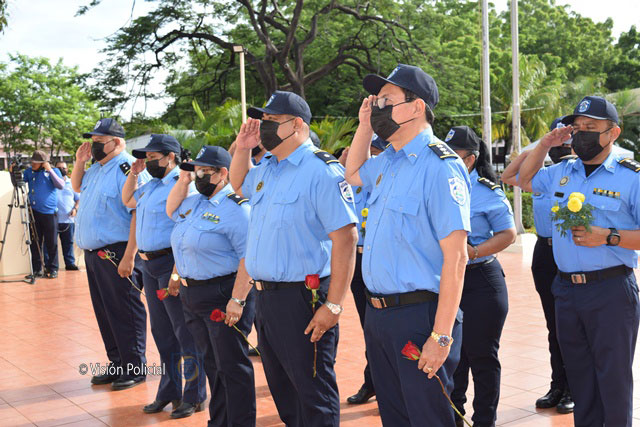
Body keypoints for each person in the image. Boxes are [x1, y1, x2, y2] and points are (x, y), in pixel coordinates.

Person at [344, 64, 471, 426]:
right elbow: (353, 174)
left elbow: (456, 258)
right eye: (377, 101)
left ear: (416, 107)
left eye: (387, 101)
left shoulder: (440, 166)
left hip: (420, 315)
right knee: (395, 416)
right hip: (379, 315)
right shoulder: (388, 160)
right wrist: (365, 125)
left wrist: (441, 337)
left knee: (428, 417)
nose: (378, 107)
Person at [229, 90, 358, 427]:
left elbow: (346, 238)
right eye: (264, 120)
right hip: (266, 298)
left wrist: (334, 305)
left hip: (303, 298)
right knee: (284, 392)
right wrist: (243, 148)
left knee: (314, 394)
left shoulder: (322, 171)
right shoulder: (268, 167)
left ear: (297, 124)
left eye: (272, 120)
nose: (264, 127)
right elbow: (238, 184)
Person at [518, 96, 640, 426]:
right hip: (567, 291)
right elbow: (523, 179)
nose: (581, 133)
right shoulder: (561, 171)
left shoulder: (631, 177)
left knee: (613, 381)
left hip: (611, 290)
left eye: (591, 127)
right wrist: (545, 143)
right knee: (581, 379)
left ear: (613, 133)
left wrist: (609, 236)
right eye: (578, 127)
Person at [167, 145, 256, 427]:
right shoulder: (193, 202)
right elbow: (171, 210)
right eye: (197, 171)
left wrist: (237, 300)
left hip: (223, 293)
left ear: (223, 173)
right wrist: (184, 180)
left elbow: (248, 258)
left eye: (205, 171)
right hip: (193, 294)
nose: (200, 176)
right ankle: (220, 421)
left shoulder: (237, 209)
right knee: (213, 365)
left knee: (232, 366)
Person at [121, 134, 207, 418]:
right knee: (163, 333)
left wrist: (176, 272)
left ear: (171, 157)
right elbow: (128, 200)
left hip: (171, 264)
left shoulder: (183, 186)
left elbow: (186, 230)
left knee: (185, 333)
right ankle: (169, 391)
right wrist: (134, 175)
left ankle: (194, 395)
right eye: (145, 158)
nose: (147, 162)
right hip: (149, 266)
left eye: (152, 157)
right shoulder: (149, 185)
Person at [444, 126, 516, 427]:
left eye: (453, 155)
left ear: (470, 159)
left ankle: (485, 420)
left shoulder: (486, 191)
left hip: (481, 280)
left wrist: (472, 252)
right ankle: (454, 417)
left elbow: (508, 234)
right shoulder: (439, 185)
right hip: (448, 280)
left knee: (482, 356)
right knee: (453, 356)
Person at [501, 118, 575, 414]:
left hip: (568, 252)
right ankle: (557, 385)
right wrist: (536, 148)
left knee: (570, 326)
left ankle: (573, 387)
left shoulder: (572, 176)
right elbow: (508, 176)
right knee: (552, 325)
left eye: (567, 141)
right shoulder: (543, 176)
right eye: (559, 141)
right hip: (544, 254)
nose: (562, 148)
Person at [71, 118, 149, 390]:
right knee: (105, 312)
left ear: (116, 142)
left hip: (117, 252)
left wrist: (130, 256)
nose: (93, 145)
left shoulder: (128, 169)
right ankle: (117, 363)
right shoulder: (96, 168)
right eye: (92, 140)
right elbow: (77, 186)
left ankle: (134, 367)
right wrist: (80, 162)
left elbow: (138, 213)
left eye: (98, 141)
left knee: (125, 310)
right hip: (94, 255)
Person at [338, 134, 389, 405]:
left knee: (387, 330)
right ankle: (374, 382)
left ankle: (388, 385)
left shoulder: (388, 179)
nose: (370, 158)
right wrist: (343, 163)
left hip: (382, 259)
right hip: (358, 263)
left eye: (376, 153)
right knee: (369, 328)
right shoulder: (355, 181)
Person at [23, 150, 64, 280]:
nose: (32, 164)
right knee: (35, 242)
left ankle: (52, 268)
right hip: (34, 212)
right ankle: (37, 270)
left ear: (43, 163)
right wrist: (13, 172)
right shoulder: (29, 172)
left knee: (51, 242)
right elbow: (18, 184)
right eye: (32, 162)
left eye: (35, 162)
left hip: (49, 213)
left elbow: (60, 185)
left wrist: (50, 170)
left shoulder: (53, 171)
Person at [54, 161, 79, 271]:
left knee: (68, 243)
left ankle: (70, 264)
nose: (61, 170)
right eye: (59, 168)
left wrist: (75, 209)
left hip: (68, 219)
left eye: (63, 168)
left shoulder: (71, 183)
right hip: (53, 219)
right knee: (51, 244)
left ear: (67, 170)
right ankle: (51, 266)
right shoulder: (51, 182)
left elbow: (78, 199)